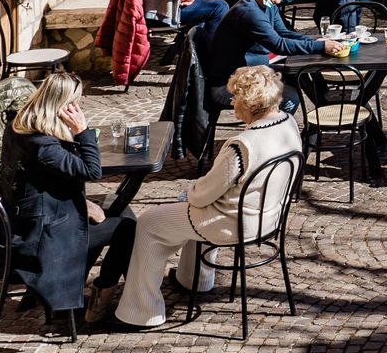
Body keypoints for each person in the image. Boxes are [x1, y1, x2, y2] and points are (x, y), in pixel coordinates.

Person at [112, 64, 304, 329]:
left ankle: (141, 312)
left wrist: (188, 191)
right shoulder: (288, 123)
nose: (232, 103)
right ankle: (195, 279)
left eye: (236, 98)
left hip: (233, 222)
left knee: (149, 223)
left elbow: (203, 195)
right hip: (269, 216)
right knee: (187, 209)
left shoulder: (243, 145)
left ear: (251, 103)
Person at [2, 72, 138, 325]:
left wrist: (82, 204)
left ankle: (73, 290)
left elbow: (43, 182)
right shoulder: (44, 147)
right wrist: (83, 131)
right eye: (74, 102)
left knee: (119, 211)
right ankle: (101, 295)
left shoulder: (19, 127)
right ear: (61, 104)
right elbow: (91, 171)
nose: (78, 107)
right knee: (127, 227)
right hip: (44, 235)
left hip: (35, 217)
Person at [204, 0, 349, 94]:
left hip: (254, 71)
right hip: (232, 81)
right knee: (290, 97)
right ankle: (274, 122)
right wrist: (321, 46)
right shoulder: (249, 12)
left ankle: (325, 111)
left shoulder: (267, 3)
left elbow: (284, 33)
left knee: (299, 73)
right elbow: (279, 45)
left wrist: (315, 41)